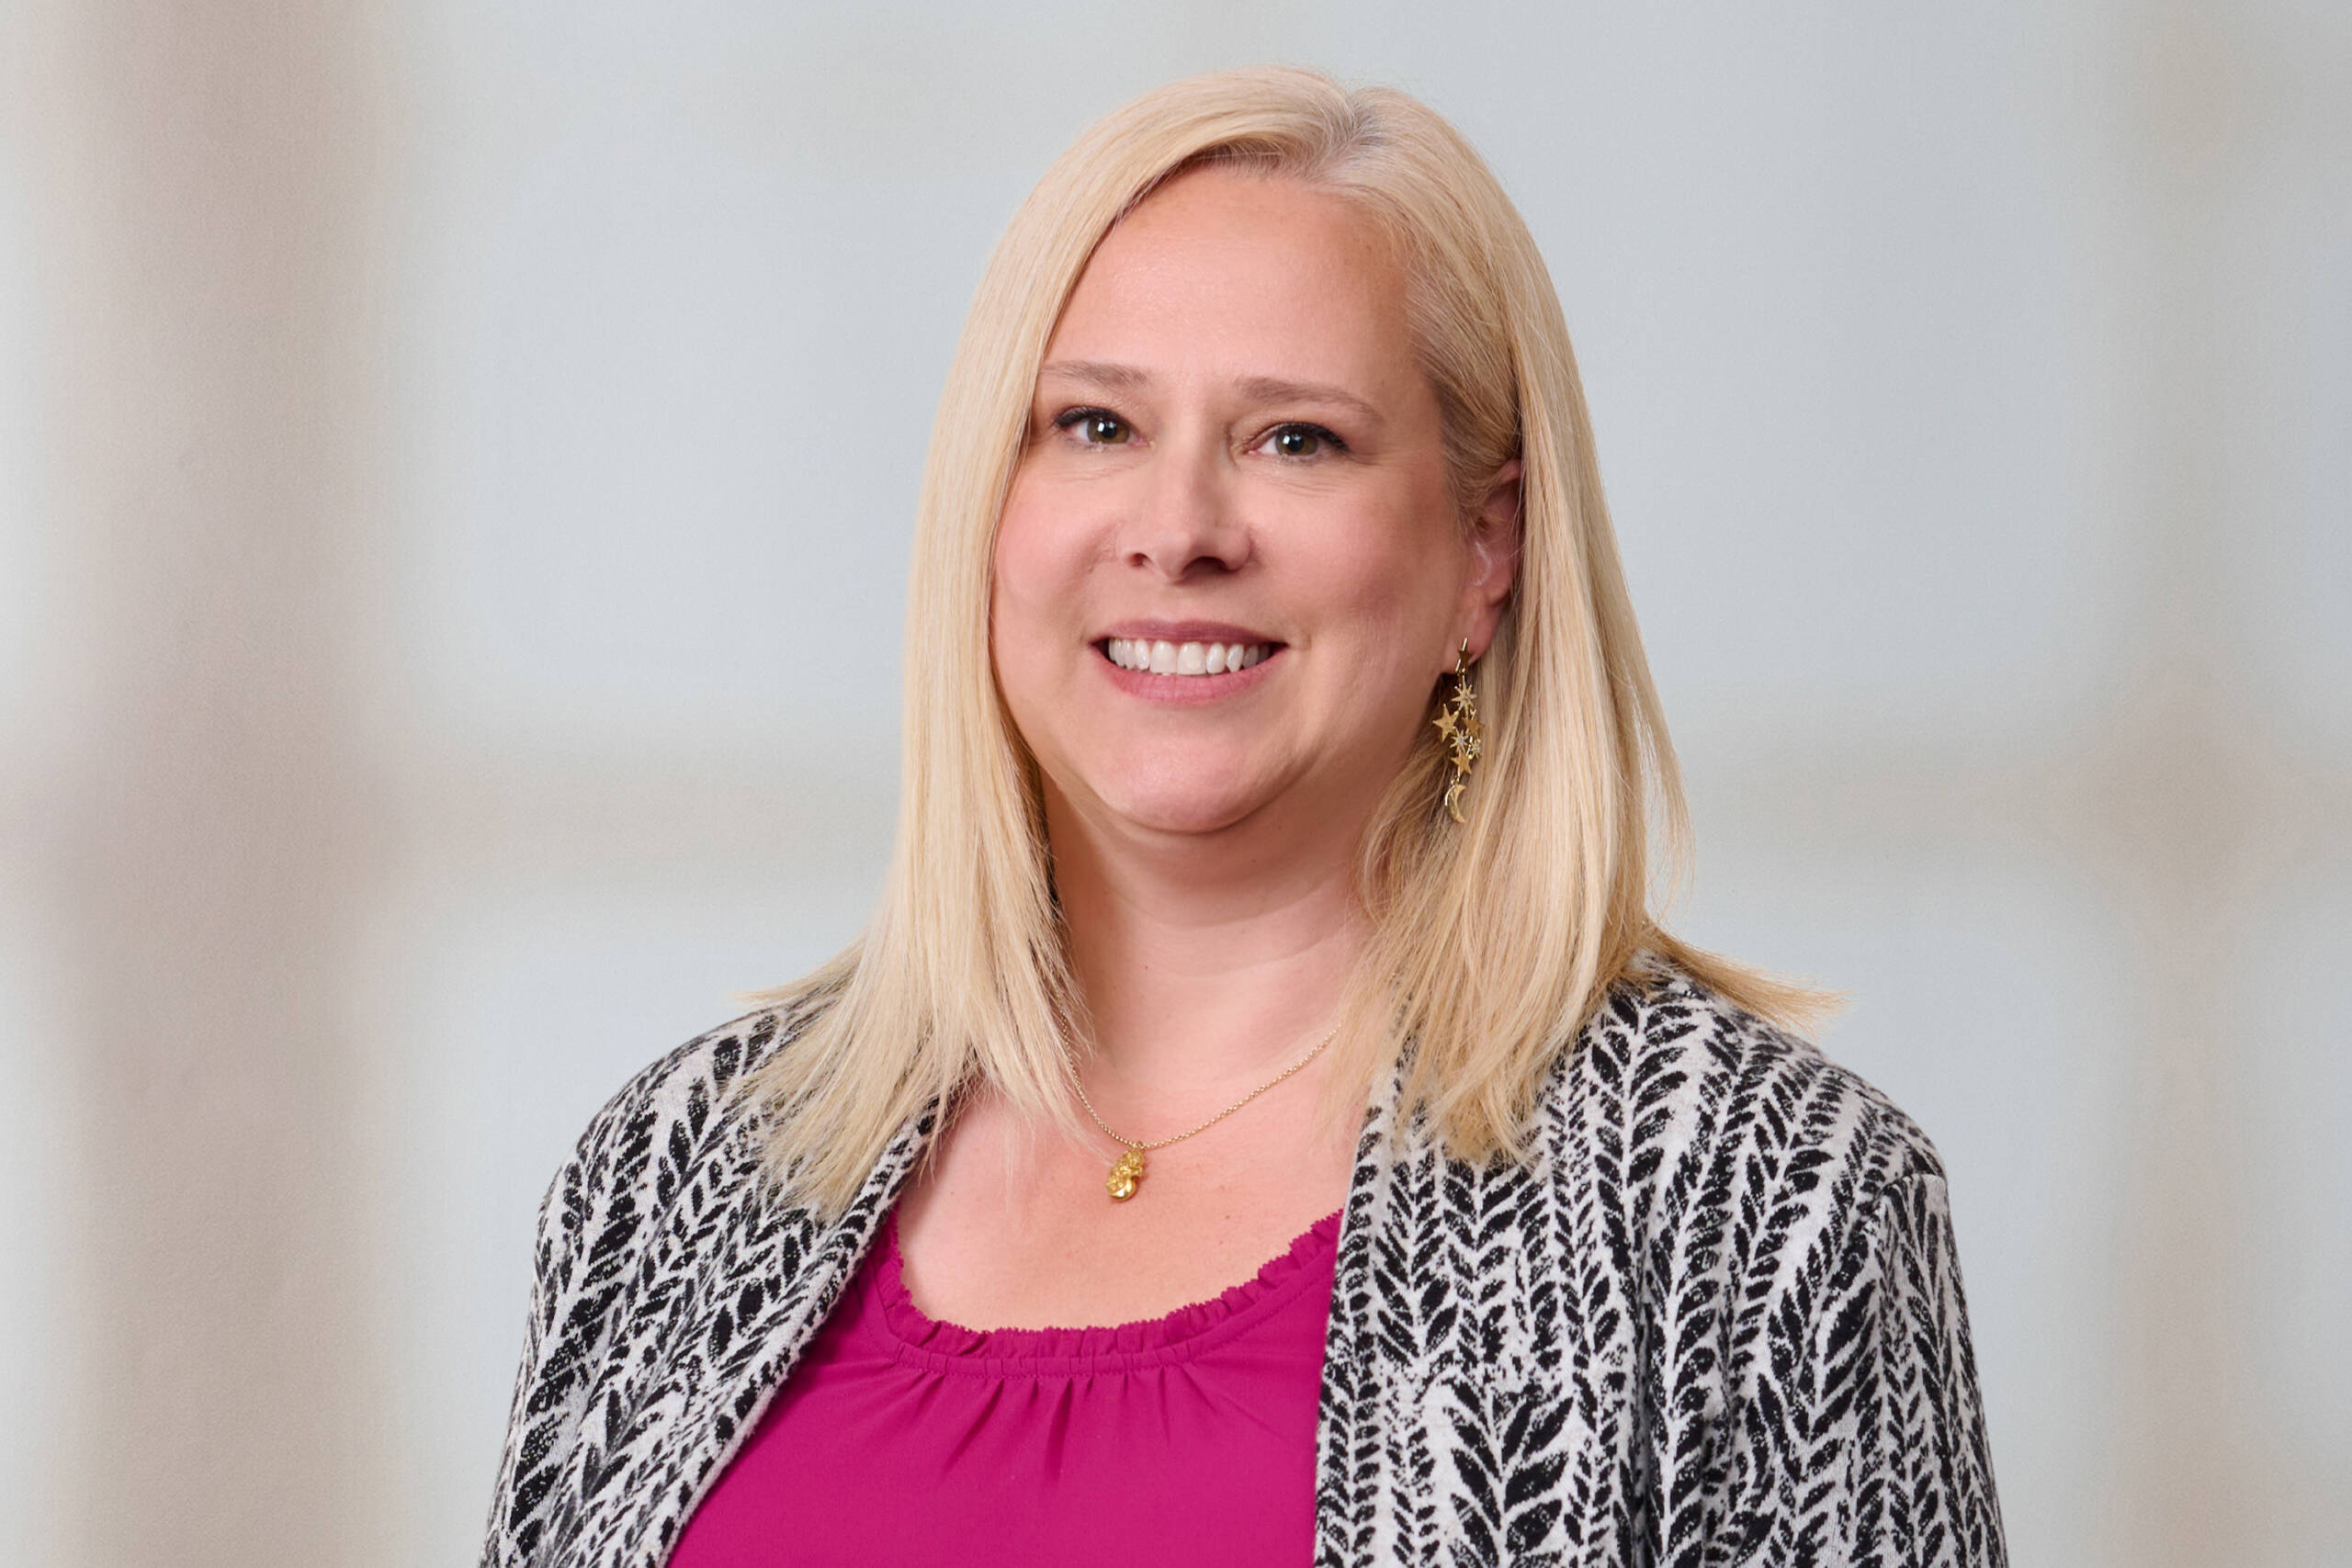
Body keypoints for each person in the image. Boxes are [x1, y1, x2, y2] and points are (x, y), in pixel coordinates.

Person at [482, 65, 2005, 1568]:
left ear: (1487, 548)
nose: (1179, 533)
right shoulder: (680, 1174)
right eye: (1093, 427)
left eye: (1297, 440)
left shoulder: (1758, 1203)